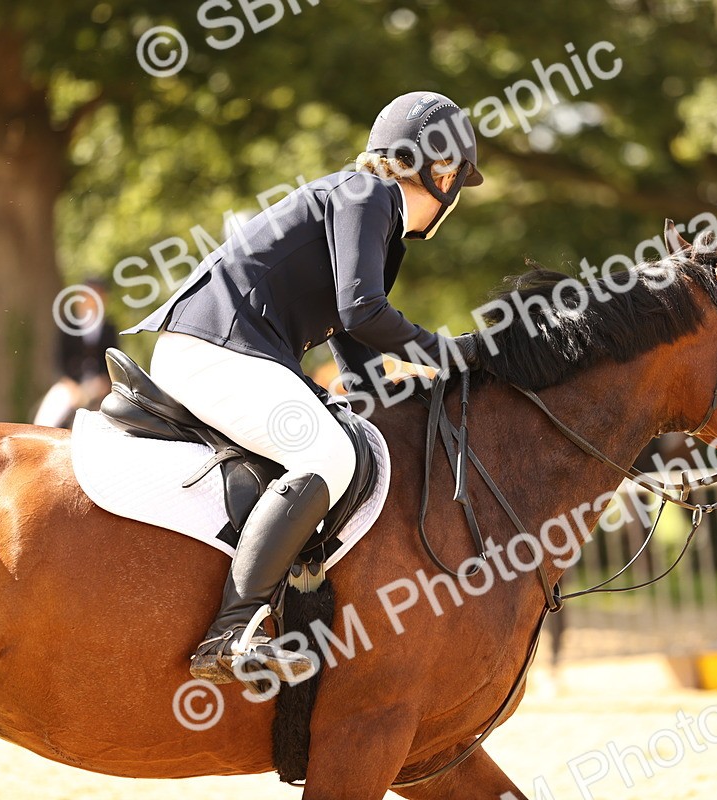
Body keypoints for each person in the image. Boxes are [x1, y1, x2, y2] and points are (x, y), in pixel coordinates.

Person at [123, 91, 484, 688]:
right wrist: (449, 354)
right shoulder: (369, 196)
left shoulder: (367, 210)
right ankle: (230, 632)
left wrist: (409, 406)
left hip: (226, 350)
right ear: (442, 174)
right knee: (326, 454)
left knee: (349, 441)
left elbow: (354, 340)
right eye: (457, 181)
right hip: (216, 350)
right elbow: (364, 309)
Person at [34, 278, 118, 428]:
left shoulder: (109, 328)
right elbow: (59, 360)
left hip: (100, 384)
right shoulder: (67, 327)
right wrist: (72, 387)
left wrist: (104, 382)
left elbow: (113, 360)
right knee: (46, 418)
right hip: (71, 384)